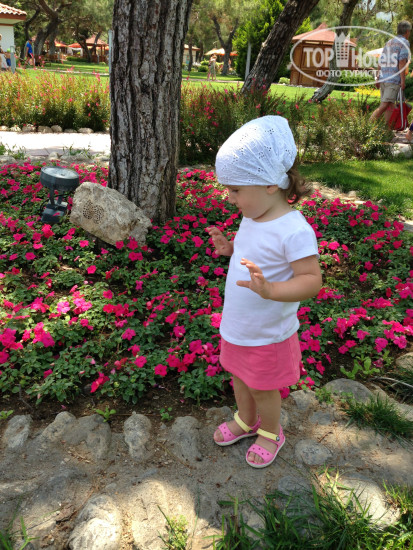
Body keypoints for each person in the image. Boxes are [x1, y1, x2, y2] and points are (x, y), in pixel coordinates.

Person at [206, 116, 322, 469]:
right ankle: (246, 420)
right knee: (239, 377)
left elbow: (311, 279)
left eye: (235, 190)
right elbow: (252, 252)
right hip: (239, 325)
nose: (229, 198)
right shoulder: (252, 217)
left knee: (262, 386)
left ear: (271, 184)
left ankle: (271, 432)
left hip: (267, 333)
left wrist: (271, 289)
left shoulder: (294, 230)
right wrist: (230, 250)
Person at [370, 20, 411, 126]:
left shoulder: (389, 42)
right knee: (384, 105)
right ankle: (366, 126)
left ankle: (387, 130)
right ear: (407, 31)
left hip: (383, 79)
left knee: (390, 106)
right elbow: (401, 62)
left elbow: (381, 61)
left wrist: (378, 77)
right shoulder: (405, 42)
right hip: (393, 80)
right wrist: (403, 81)